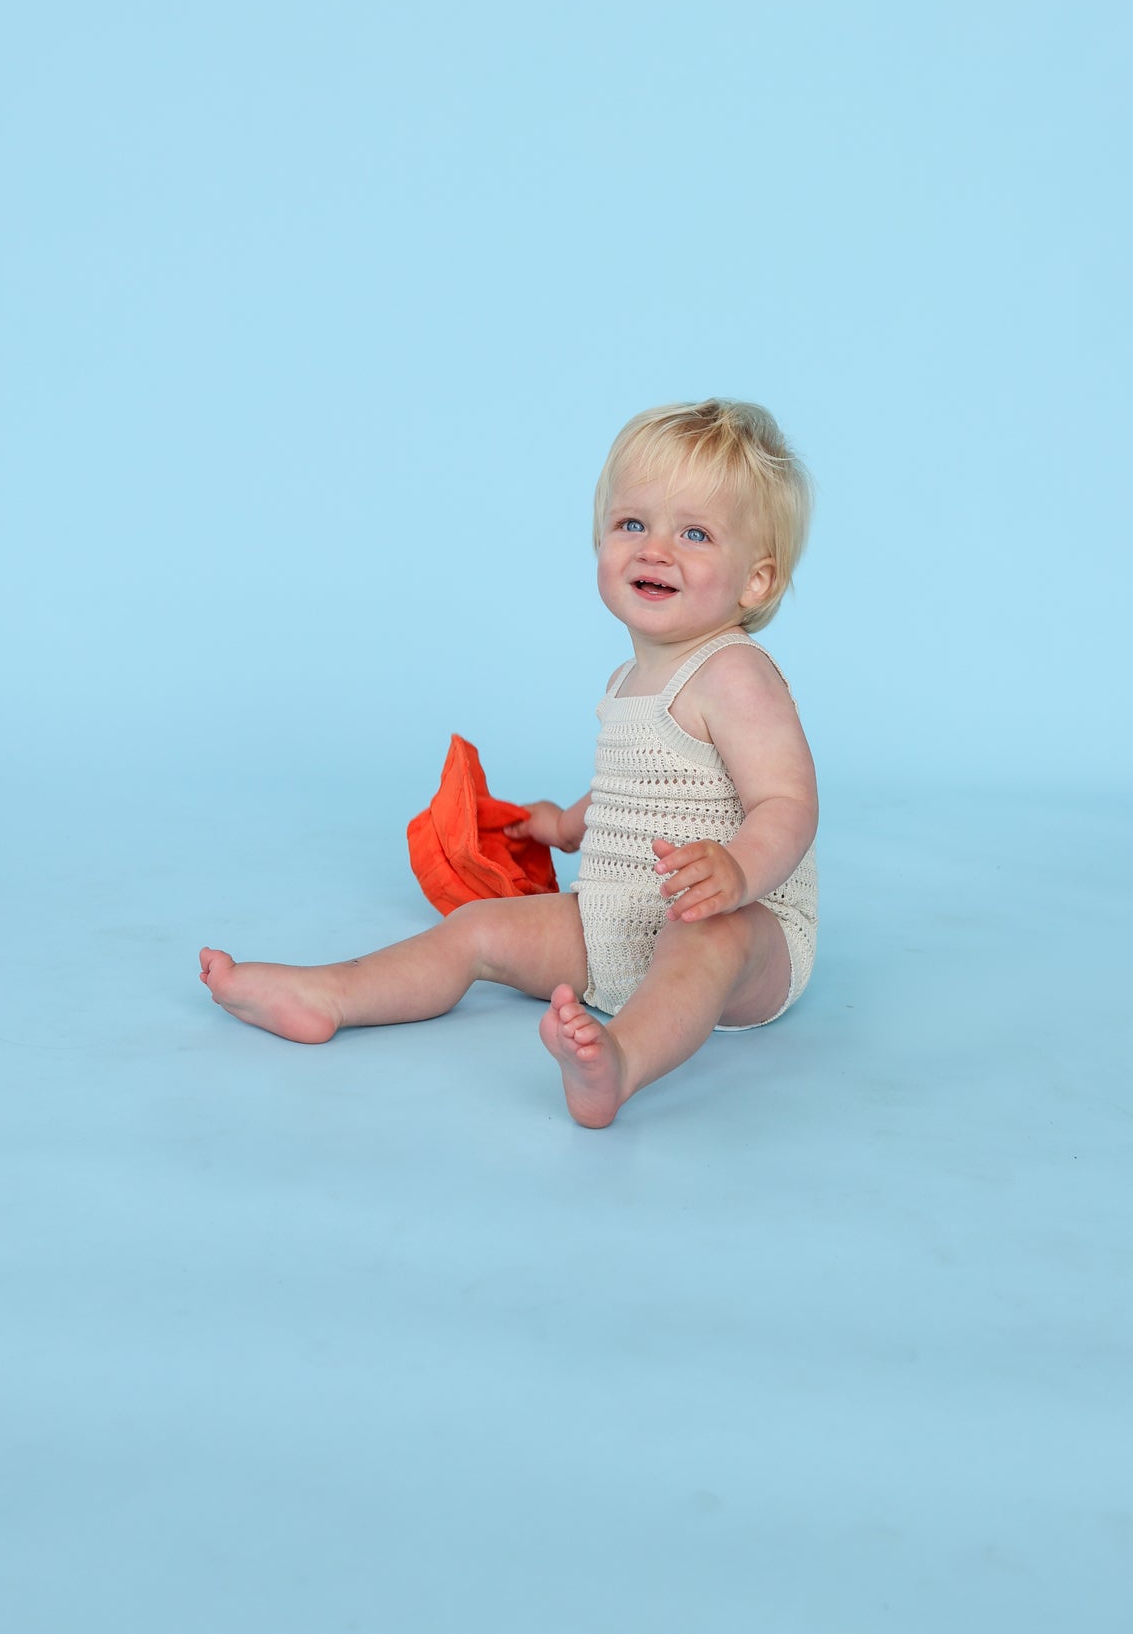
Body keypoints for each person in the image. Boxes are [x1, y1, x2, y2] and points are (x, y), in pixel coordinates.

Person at [198, 399, 818, 1127]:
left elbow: (787, 803)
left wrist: (737, 873)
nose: (654, 549)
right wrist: (563, 825)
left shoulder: (734, 673)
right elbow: (640, 790)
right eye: (631, 524)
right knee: (481, 928)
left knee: (705, 938)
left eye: (693, 532)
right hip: (617, 922)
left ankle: (619, 1063)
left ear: (756, 582)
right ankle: (330, 994)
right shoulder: (626, 681)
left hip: (748, 932)